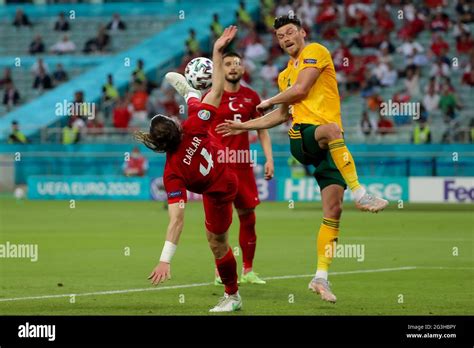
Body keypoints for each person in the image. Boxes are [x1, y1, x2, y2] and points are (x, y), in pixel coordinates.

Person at [216, 15, 388, 303]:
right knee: (331, 130)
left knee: (333, 212)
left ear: (302, 33)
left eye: (289, 33)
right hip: (304, 137)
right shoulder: (284, 75)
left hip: (331, 145)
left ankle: (321, 277)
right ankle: (361, 193)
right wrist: (245, 125)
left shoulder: (315, 52)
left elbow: (300, 90)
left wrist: (264, 106)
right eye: (280, 36)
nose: (285, 39)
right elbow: (283, 116)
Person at [136, 26, 241, 312]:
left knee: (217, 244)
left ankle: (232, 296)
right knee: (201, 114)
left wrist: (165, 259)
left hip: (219, 191)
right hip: (224, 170)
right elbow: (218, 90)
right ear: (175, 127)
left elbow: (177, 220)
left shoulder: (171, 173)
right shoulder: (191, 126)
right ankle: (190, 94)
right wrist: (217, 51)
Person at [208, 51, 274, 285]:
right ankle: (220, 272)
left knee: (248, 217)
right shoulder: (212, 96)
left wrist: (269, 159)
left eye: (237, 64)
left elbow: (263, 129)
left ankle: (248, 270)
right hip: (218, 168)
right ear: (221, 69)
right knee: (220, 224)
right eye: (228, 64)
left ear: (243, 69)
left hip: (243, 165)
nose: (233, 68)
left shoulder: (252, 97)